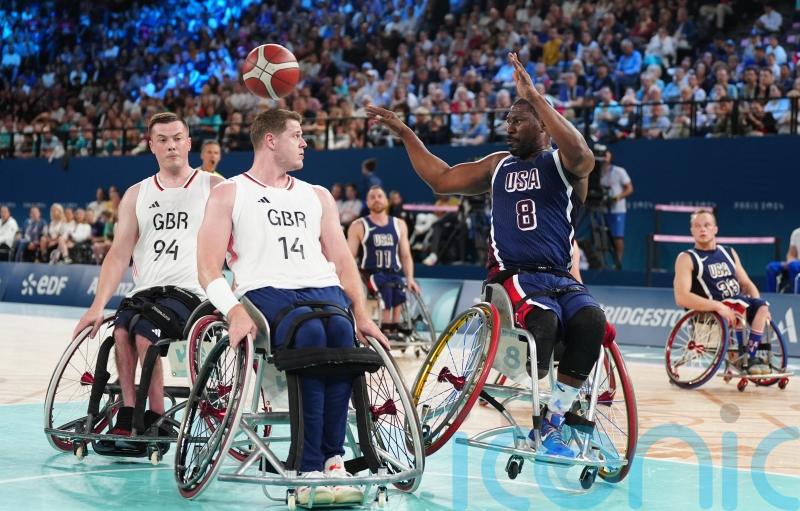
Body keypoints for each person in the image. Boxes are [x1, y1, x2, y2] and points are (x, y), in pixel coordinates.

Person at [367, 53, 606, 459]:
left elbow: (583, 154)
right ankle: (546, 392)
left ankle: (554, 421)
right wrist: (407, 133)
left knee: (592, 320)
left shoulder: (565, 166)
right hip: (512, 277)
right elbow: (441, 179)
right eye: (507, 121)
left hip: (560, 277)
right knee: (545, 322)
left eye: (517, 120)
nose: (508, 128)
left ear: (543, 124)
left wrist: (535, 95)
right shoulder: (497, 165)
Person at [196, 108, 387, 506]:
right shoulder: (229, 192)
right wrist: (232, 310)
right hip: (265, 289)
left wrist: (363, 313)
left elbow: (342, 259)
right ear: (271, 140)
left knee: (339, 334)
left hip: (322, 287)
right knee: (311, 335)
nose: (304, 143)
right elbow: (207, 266)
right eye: (297, 135)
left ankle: (334, 459)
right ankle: (307, 466)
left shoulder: (316, 195)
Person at [73, 112, 221, 452]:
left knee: (143, 333)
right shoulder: (136, 194)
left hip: (192, 293)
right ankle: (128, 412)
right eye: (163, 140)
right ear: (151, 145)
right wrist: (97, 306)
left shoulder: (212, 187)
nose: (171, 145)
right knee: (122, 330)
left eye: (177, 138)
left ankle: (157, 415)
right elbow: (117, 254)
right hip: (146, 292)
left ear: (188, 142)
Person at [673, 210, 771, 375]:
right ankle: (741, 358)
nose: (702, 229)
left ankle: (750, 357)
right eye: (697, 226)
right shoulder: (687, 258)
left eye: (707, 225)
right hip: (711, 312)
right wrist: (718, 306)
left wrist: (758, 302)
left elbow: (746, 283)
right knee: (741, 306)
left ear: (715, 229)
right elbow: (681, 297)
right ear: (692, 231)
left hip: (737, 303)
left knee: (762, 308)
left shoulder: (729, 253)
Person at [347, 185, 420, 332]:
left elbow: (405, 255)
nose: (376, 199)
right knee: (385, 288)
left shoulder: (399, 224)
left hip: (393, 272)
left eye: (380, 196)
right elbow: (349, 256)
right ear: (367, 203)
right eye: (372, 197)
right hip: (369, 274)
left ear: (386, 201)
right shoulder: (359, 225)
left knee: (399, 286)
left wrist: (410, 278)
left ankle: (396, 325)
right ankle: (386, 326)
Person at [598, 146, 633, 269]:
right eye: (602, 154)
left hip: (617, 210)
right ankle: (600, 263)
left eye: (606, 154)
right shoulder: (597, 172)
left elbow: (629, 189)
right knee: (600, 235)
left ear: (610, 156)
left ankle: (617, 263)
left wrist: (616, 198)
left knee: (617, 237)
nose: (604, 157)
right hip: (601, 209)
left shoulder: (619, 171)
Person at [765, 227, 800, 293]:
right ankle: (772, 297)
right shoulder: (796, 233)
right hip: (796, 264)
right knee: (771, 267)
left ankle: (795, 297)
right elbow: (791, 254)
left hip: (796, 265)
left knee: (793, 266)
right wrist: (789, 262)